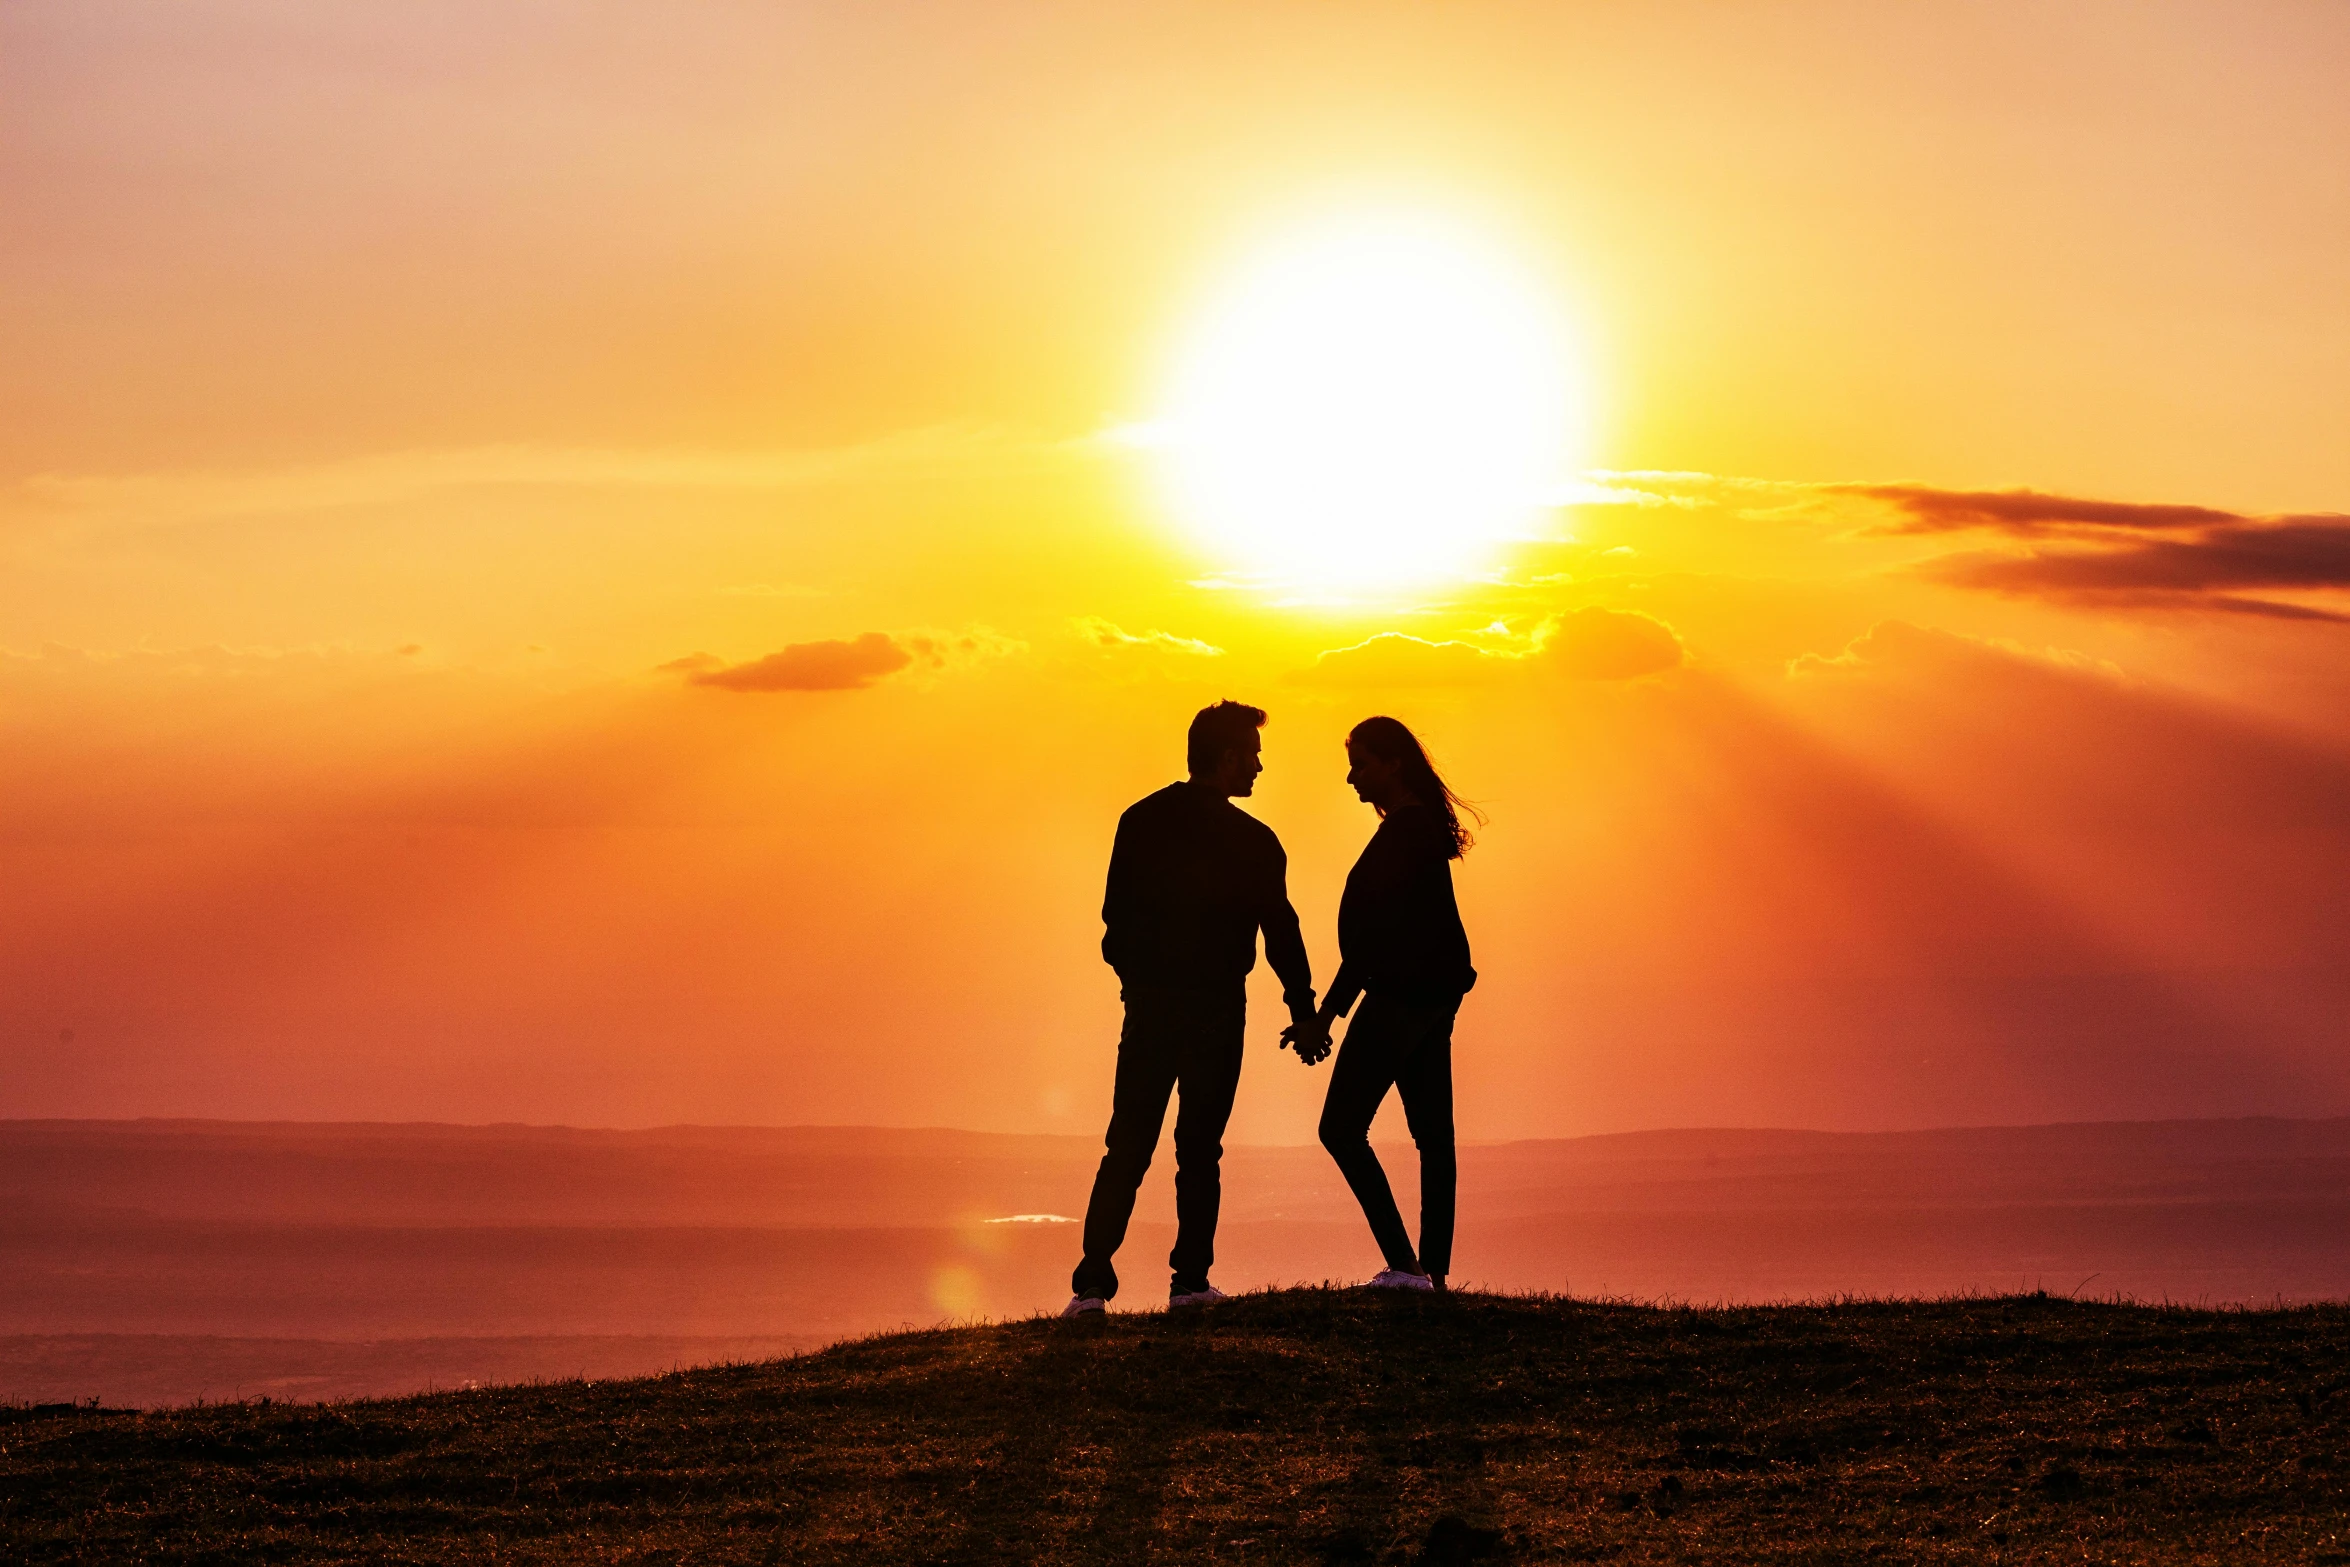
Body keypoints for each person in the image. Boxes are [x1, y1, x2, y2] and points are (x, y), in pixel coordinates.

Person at [1063, 700, 1320, 1317]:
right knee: (1199, 1149)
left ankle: (1092, 1284)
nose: (1260, 768)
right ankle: (1189, 1283)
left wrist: (1136, 979)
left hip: (1150, 1006)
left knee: (1127, 1143)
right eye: (1253, 756)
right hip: (1216, 1008)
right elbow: (1279, 929)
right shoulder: (1255, 841)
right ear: (1228, 758)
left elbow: (1113, 920)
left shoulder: (1141, 820)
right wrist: (1303, 1006)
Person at [1287, 716, 1479, 1293]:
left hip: (1399, 1000)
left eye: (1362, 763)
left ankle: (1407, 1266)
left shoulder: (1405, 833)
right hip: (1425, 1001)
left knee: (1341, 1128)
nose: (1352, 777)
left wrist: (1324, 1014)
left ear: (1393, 764)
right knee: (1431, 1136)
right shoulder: (1415, 830)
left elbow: (1373, 938)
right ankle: (1430, 1273)